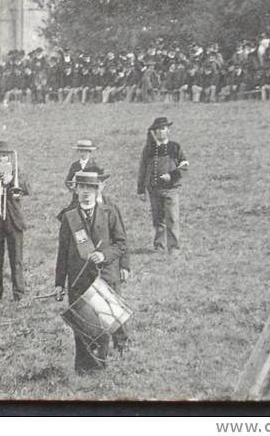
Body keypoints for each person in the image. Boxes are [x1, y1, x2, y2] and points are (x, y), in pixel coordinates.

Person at [54, 169, 128, 374]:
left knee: (102, 323)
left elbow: (121, 244)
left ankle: (98, 367)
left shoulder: (109, 213)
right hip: (78, 279)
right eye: (82, 187)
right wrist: (59, 283)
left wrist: (104, 255)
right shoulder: (69, 218)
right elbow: (62, 252)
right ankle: (82, 368)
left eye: (90, 187)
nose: (86, 192)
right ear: (75, 189)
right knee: (82, 324)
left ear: (97, 190)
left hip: (104, 278)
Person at [136, 117, 189, 254]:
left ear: (168, 130)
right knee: (158, 219)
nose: (161, 132)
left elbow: (184, 166)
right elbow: (143, 169)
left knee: (172, 218)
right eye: (158, 129)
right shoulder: (149, 149)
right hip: (153, 189)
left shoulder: (175, 147)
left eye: (163, 129)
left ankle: (174, 248)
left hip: (170, 189)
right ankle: (159, 247)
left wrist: (171, 175)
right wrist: (141, 189)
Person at [0, 141, 29, 302]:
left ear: (9, 156)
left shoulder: (15, 171)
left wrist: (12, 180)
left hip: (14, 221)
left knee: (16, 259)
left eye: (4, 155)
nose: (1, 158)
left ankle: (19, 293)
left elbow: (27, 188)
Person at [65, 139, 102, 210]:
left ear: (89, 152)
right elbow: (68, 180)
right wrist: (73, 189)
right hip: (78, 195)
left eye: (85, 151)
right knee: (68, 213)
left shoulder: (95, 166)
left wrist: (96, 193)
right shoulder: (75, 165)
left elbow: (100, 181)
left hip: (92, 195)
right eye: (81, 151)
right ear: (78, 152)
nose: (83, 154)